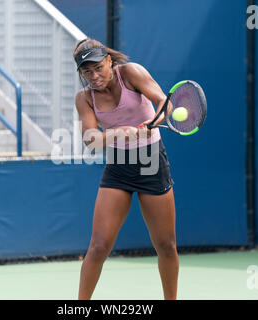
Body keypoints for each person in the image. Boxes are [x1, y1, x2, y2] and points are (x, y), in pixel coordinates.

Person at [73, 38, 179, 300]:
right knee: (98, 247)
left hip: (151, 161)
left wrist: (154, 121)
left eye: (98, 67)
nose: (94, 76)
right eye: (87, 72)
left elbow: (166, 103)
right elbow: (90, 140)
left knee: (166, 245)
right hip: (119, 166)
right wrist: (118, 133)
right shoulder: (84, 98)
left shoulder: (132, 73)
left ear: (109, 60)